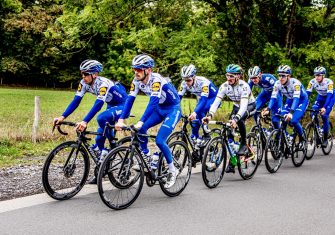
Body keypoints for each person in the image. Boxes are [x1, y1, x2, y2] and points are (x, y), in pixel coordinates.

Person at [54, 59, 128, 183]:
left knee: (101, 118)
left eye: (86, 74)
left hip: (123, 105)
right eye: (82, 73)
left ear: (95, 74)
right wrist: (62, 117)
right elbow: (76, 100)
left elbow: (98, 104)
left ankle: (113, 147)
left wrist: (85, 121)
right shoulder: (83, 83)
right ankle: (103, 167)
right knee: (99, 139)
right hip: (111, 105)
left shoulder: (103, 83)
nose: (83, 77)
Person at [115, 54, 181, 189]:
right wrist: (121, 119)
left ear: (148, 70)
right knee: (141, 130)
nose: (136, 72)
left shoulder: (157, 80)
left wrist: (141, 120)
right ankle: (147, 156)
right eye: (134, 69)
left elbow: (153, 102)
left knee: (160, 140)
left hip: (172, 109)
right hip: (159, 109)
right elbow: (129, 100)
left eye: (139, 69)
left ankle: (172, 170)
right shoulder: (136, 81)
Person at [202, 64, 256, 173]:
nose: (228, 78)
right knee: (228, 132)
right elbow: (216, 102)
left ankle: (243, 144)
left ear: (238, 76)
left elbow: (244, 106)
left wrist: (236, 119)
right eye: (227, 75)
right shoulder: (224, 86)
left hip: (249, 106)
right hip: (236, 106)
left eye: (231, 76)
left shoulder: (244, 86)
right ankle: (233, 160)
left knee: (239, 120)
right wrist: (209, 115)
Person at [262, 65, 308, 149]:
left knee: (293, 120)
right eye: (279, 75)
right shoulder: (277, 83)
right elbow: (273, 97)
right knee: (282, 118)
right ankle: (285, 140)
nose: (281, 78)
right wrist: (268, 109)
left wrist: (291, 112)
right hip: (290, 100)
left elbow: (296, 98)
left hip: (301, 101)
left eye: (283, 76)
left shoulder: (295, 83)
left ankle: (302, 139)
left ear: (289, 76)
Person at [178, 64, 218, 144]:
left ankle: (207, 134)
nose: (187, 83)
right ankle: (195, 137)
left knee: (199, 111)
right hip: (202, 98)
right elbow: (178, 98)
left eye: (189, 80)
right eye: (185, 80)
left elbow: (203, 100)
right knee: (195, 118)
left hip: (213, 98)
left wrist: (195, 112)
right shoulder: (184, 83)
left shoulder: (203, 82)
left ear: (194, 77)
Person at [306, 66, 335, 147]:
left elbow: (329, 96)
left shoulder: (329, 82)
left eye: (319, 75)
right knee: (313, 112)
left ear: (323, 76)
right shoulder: (312, 81)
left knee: (324, 115)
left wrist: (324, 107)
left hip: (330, 98)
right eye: (316, 75)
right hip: (320, 97)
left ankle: (325, 139)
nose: (317, 77)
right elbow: (306, 94)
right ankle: (318, 130)